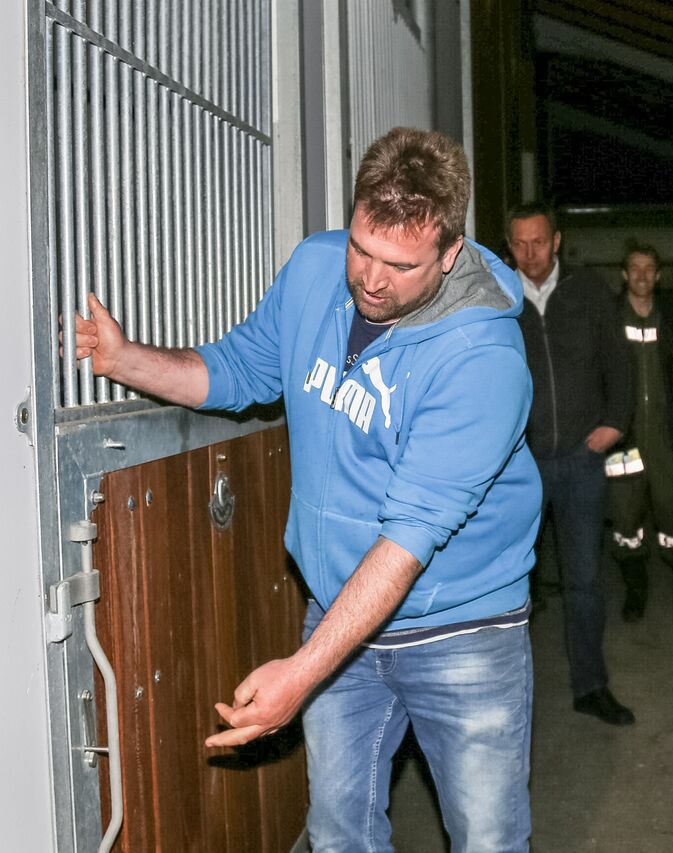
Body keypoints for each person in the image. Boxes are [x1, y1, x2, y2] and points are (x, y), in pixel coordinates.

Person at [67, 128, 541, 851]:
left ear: (449, 254)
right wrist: (125, 359)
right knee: (337, 833)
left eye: (400, 265)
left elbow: (406, 542)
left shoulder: (482, 357)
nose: (370, 280)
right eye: (362, 248)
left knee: (488, 838)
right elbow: (239, 370)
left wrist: (300, 673)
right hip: (339, 607)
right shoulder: (317, 268)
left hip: (462, 629)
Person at [508, 201, 637, 726]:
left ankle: (591, 686)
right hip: (521, 467)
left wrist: (615, 424)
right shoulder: (499, 297)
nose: (530, 253)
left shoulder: (589, 291)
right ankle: (507, 697)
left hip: (582, 461)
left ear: (557, 241)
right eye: (519, 243)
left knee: (584, 583)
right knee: (510, 588)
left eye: (539, 241)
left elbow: (619, 362)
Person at [606, 244, 673, 624]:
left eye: (649, 268)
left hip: (666, 440)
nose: (643, 275)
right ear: (624, 274)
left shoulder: (672, 319)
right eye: (635, 268)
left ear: (658, 275)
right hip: (623, 442)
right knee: (626, 523)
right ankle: (636, 593)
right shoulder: (609, 319)